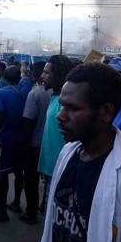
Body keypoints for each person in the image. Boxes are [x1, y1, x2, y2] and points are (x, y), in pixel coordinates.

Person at [38, 63, 121, 242]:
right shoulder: (67, 154)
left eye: (73, 108)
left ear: (105, 112)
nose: (60, 116)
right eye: (62, 106)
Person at [0, 66, 29, 222]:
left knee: (2, 174)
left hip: (6, 138)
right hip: (22, 138)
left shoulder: (1, 93)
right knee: (18, 172)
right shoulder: (26, 90)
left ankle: (2, 210)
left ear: (4, 76)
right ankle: (16, 202)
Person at [38, 55, 74, 213]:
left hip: (62, 170)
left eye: (46, 72)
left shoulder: (66, 102)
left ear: (58, 74)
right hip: (51, 168)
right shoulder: (54, 97)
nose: (42, 76)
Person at [20, 61, 50, 224]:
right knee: (49, 179)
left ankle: (31, 212)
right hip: (50, 145)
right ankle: (45, 207)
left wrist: (23, 146)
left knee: (31, 180)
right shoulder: (59, 93)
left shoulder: (35, 93)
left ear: (34, 74)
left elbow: (28, 122)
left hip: (34, 145)